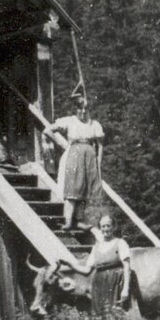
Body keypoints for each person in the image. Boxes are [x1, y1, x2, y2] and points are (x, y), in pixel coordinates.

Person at [47, 94, 104, 230]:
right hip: (73, 155)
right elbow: (47, 130)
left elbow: (100, 145)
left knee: (86, 188)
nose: (83, 112)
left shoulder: (94, 124)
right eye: (80, 108)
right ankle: (68, 221)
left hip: (89, 158)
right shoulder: (70, 121)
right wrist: (64, 145)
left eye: (86, 109)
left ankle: (79, 221)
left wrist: (98, 162)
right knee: (73, 188)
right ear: (75, 109)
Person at [59, 214, 132, 315]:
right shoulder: (96, 247)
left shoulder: (120, 243)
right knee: (100, 314)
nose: (105, 229)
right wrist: (70, 264)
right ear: (100, 228)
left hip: (116, 282)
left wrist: (125, 289)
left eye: (108, 225)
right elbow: (86, 270)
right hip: (99, 283)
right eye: (103, 226)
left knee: (115, 313)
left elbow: (127, 267)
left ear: (114, 227)